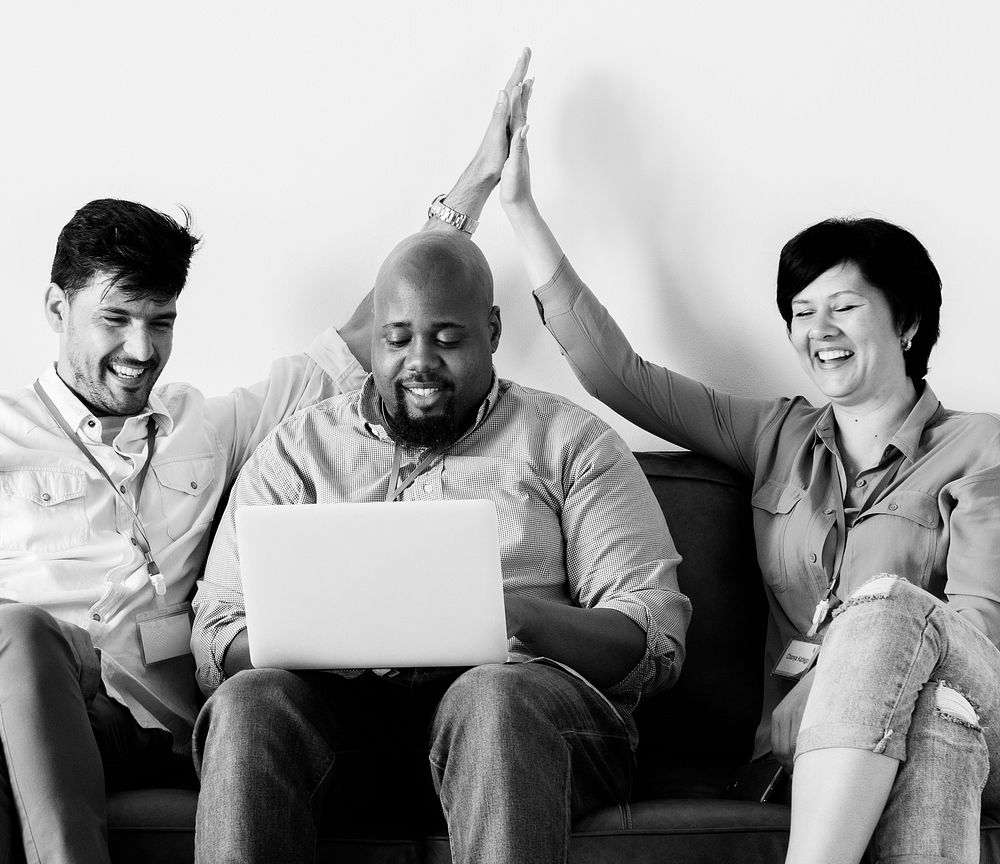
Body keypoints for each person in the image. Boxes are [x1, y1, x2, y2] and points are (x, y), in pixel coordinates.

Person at [0, 48, 532, 864]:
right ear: (54, 307)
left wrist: (475, 183)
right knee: (18, 632)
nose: (143, 350)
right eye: (116, 319)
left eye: (162, 321)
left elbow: (373, 331)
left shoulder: (209, 425)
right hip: (53, 713)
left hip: (180, 722)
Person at [495, 107, 1000, 862]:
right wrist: (520, 211)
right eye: (801, 311)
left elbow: (977, 632)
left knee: (893, 614)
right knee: (938, 727)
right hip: (816, 758)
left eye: (845, 306)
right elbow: (620, 377)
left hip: (967, 693)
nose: (816, 328)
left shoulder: (981, 447)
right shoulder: (776, 434)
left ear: (907, 324)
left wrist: (841, 672)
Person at [189, 225, 691, 864]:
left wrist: (516, 618)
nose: (419, 361)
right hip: (344, 737)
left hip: (525, 727)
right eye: (396, 339)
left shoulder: (572, 443)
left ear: (493, 332)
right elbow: (216, 631)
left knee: (492, 696)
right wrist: (312, 634)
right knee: (248, 703)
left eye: (448, 338)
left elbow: (652, 641)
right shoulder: (298, 448)